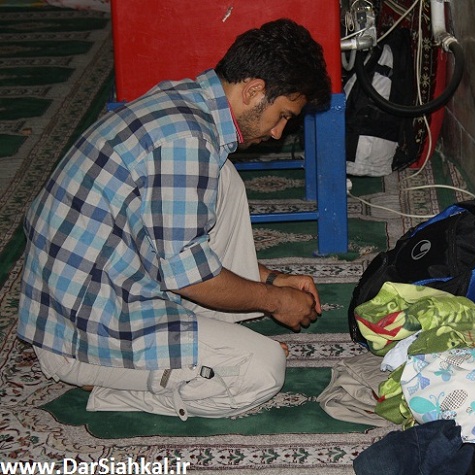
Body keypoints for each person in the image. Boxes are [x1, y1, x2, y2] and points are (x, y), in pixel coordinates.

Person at [17, 18, 331, 420]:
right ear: (254, 91)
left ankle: (199, 335)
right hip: (81, 335)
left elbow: (176, 244)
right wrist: (277, 300)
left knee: (224, 177)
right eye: (283, 115)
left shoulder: (185, 101)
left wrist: (270, 280)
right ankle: (112, 385)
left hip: (104, 288)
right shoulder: (187, 142)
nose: (278, 133)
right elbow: (190, 277)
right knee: (261, 370)